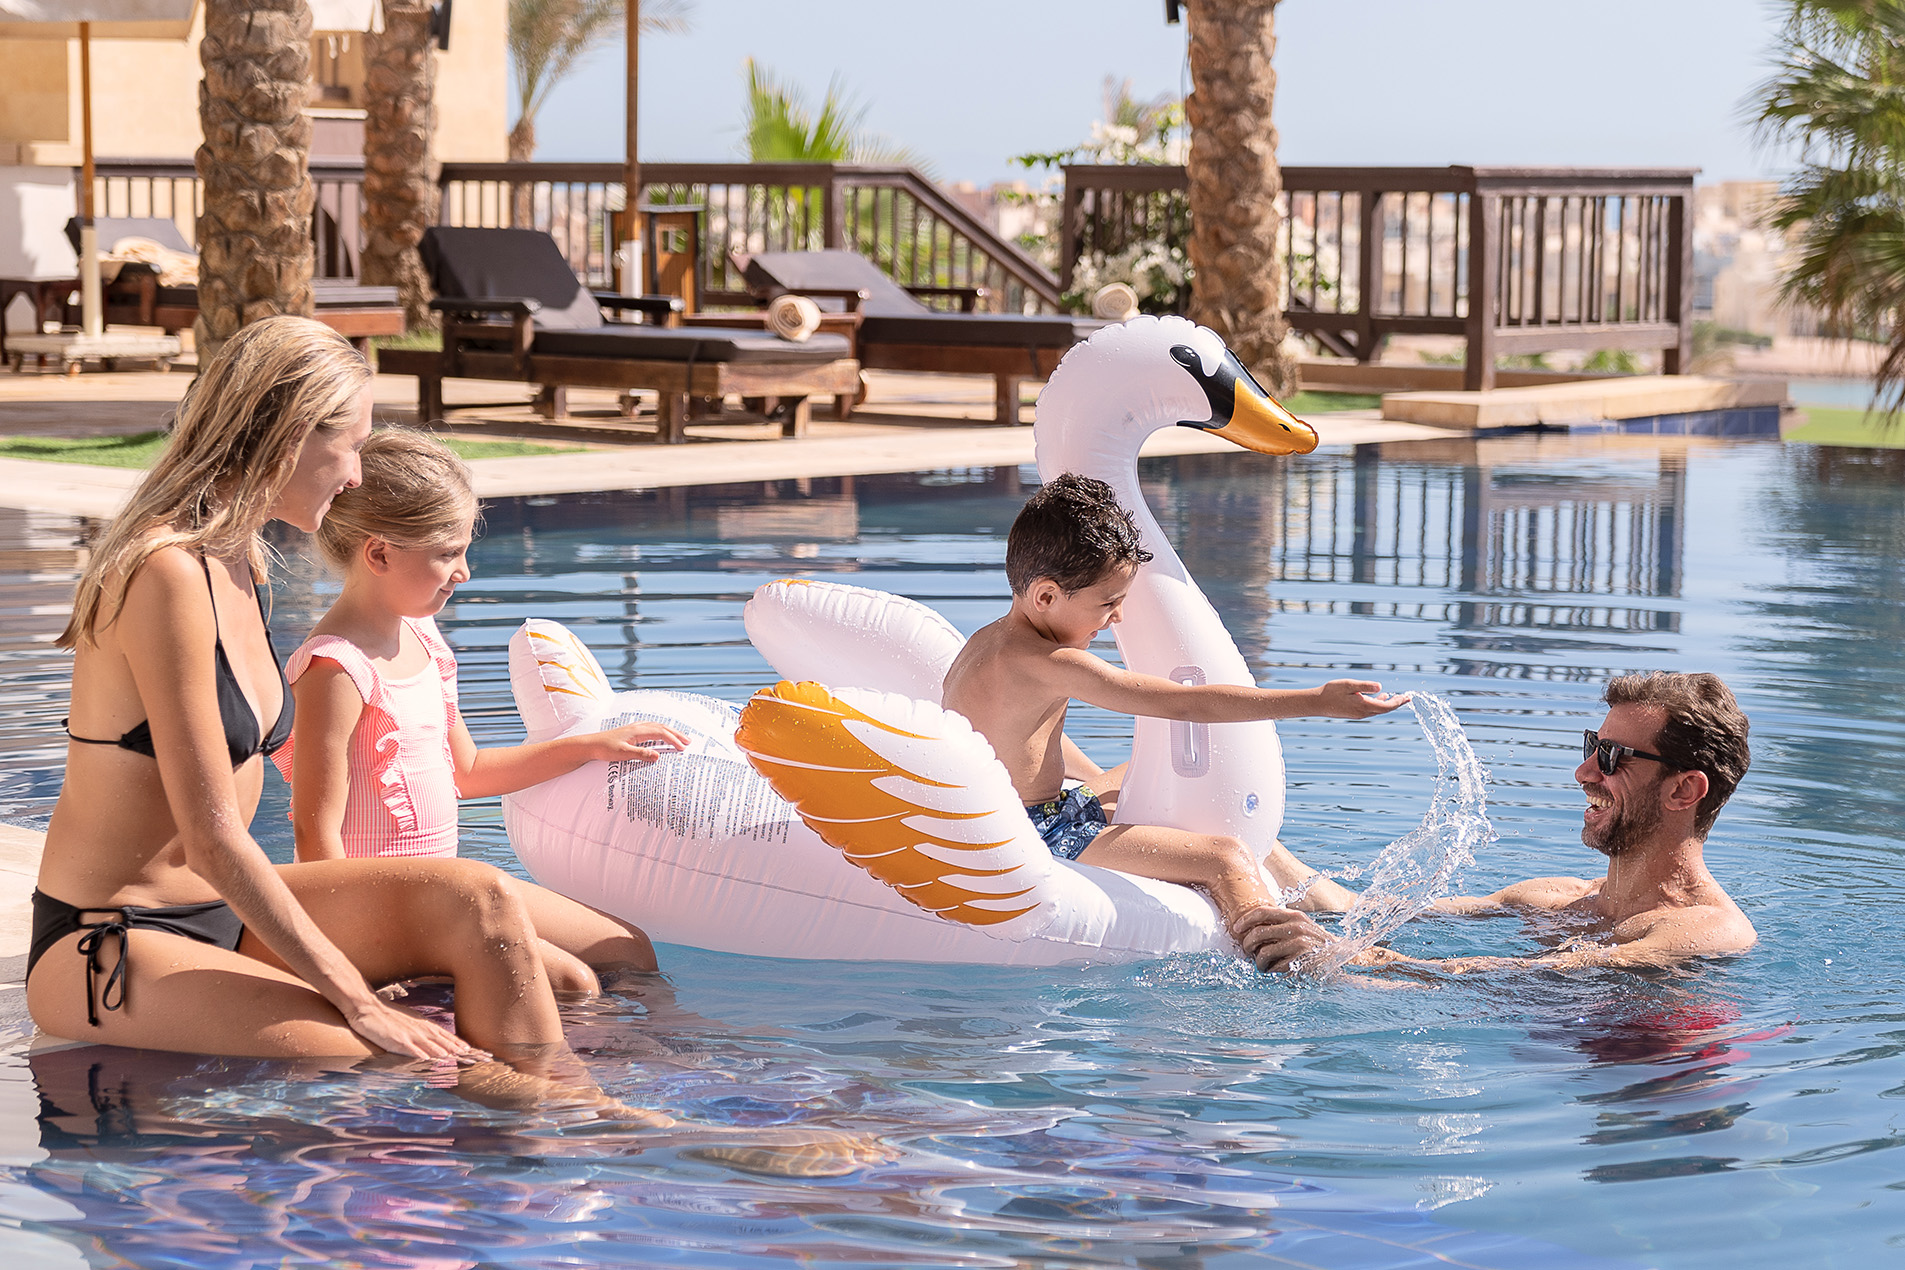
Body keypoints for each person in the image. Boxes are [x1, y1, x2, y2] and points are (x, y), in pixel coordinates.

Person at [28, 317, 587, 1089]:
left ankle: (567, 1110)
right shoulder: (164, 575)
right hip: (116, 937)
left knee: (480, 899)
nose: (357, 475)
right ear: (288, 436)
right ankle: (594, 1129)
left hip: (234, 917)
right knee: (391, 1055)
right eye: (350, 445)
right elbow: (214, 840)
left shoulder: (241, 566)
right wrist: (354, 996)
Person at [275, 428, 687, 995]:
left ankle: (658, 1069)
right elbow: (313, 831)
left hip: (448, 887)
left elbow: (466, 774)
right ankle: (583, 1074)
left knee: (629, 949)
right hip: (383, 907)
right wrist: (348, 958)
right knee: (573, 983)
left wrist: (587, 747)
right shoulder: (336, 670)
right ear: (378, 553)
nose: (464, 572)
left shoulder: (423, 636)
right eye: (447, 554)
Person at [940, 473, 1410, 955]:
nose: (1117, 617)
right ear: (1046, 596)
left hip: (1030, 810)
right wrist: (1318, 701)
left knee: (1171, 779)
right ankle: (1305, 956)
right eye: (1109, 603)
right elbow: (1185, 702)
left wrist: (1102, 784)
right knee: (1224, 855)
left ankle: (1336, 901)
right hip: (1033, 832)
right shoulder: (1048, 663)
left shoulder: (989, 641)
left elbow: (1025, 741)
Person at [1237, 671, 1759, 974]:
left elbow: (1516, 979)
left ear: (1683, 789)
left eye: (1612, 756)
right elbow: (1355, 909)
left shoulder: (1707, 929)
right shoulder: (1551, 898)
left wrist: (1345, 961)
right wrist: (1250, 841)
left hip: (1650, 1091)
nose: (1583, 772)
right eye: (1591, 747)